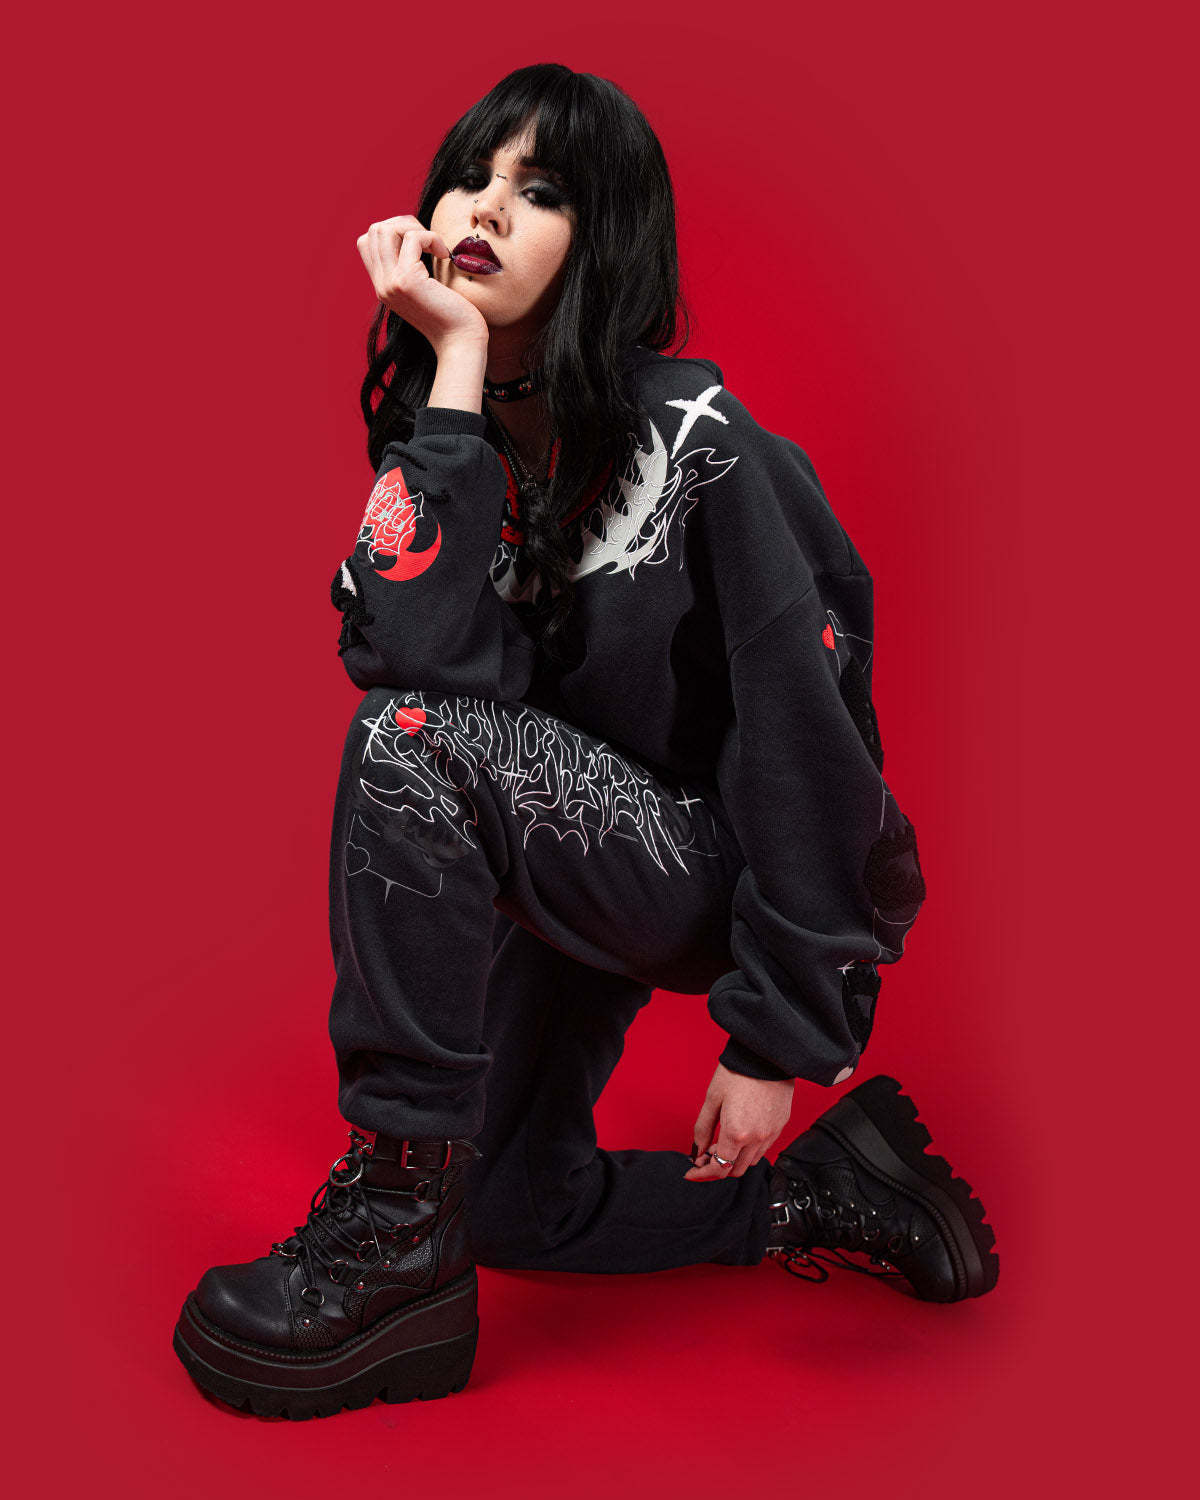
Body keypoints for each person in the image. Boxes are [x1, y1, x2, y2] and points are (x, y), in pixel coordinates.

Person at [172, 63, 998, 1421]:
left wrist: (777, 1035)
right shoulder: (449, 441)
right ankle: (820, 1195)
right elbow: (414, 658)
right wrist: (450, 368)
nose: (487, 209)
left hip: (724, 861)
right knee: (512, 1204)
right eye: (471, 178)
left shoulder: (703, 443)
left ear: (601, 238)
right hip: (560, 841)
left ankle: (392, 1239)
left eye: (540, 190)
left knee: (414, 742)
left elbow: (813, 738)